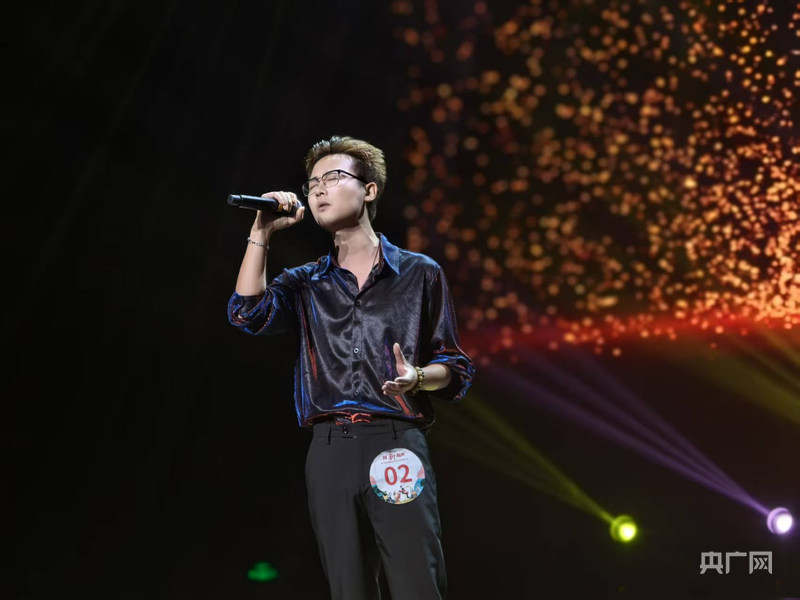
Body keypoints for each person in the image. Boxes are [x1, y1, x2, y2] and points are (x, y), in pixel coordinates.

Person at [227, 135, 475, 600]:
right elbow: (247, 313)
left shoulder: (420, 273)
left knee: (416, 583)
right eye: (312, 183)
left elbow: (454, 366)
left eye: (334, 177)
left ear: (370, 190)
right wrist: (262, 230)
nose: (319, 189)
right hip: (330, 448)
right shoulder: (305, 282)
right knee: (349, 586)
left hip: (396, 443)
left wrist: (417, 377)